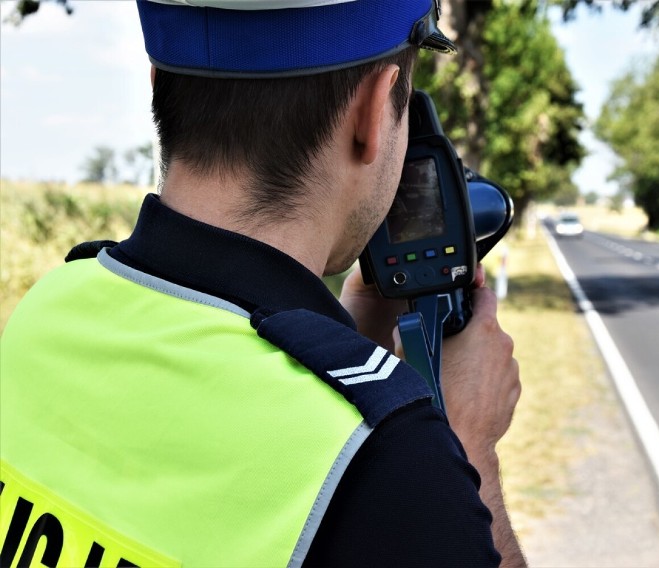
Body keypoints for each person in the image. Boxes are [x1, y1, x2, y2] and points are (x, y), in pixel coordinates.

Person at [0, 1, 524, 566]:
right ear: (374, 112)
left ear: (157, 87)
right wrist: (465, 452)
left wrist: (341, 347)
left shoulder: (46, 309)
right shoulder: (391, 462)